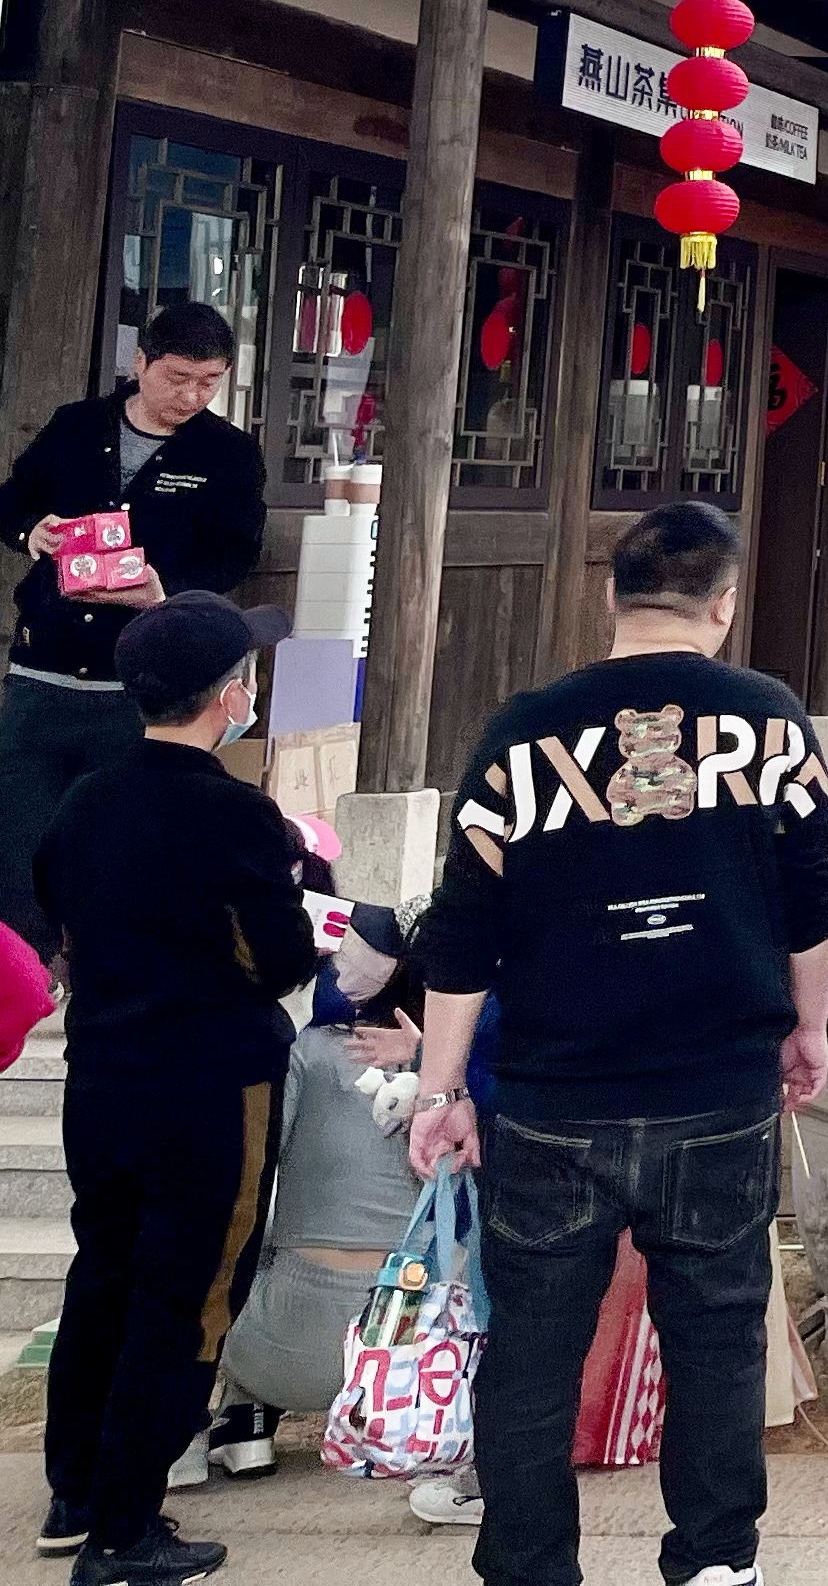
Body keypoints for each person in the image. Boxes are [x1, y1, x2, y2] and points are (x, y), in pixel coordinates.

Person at [407, 500, 828, 1586]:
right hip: (718, 1082)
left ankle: (528, 1567)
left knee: (531, 1352)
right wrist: (807, 1024)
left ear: (611, 594)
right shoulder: (768, 718)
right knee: (718, 1333)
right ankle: (715, 1560)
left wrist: (440, 1088)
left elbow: (462, 927)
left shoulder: (524, 730)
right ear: (724, 604)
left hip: (554, 1093)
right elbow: (815, 895)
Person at [32, 589, 303, 1586]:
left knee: (104, 1271)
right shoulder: (235, 813)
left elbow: (60, 909)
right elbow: (276, 959)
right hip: (210, 1082)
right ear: (228, 696)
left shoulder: (86, 800)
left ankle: (75, 1491)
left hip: (103, 1074)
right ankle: (126, 1527)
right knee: (188, 1295)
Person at [0, 303, 266, 954]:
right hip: (41, 678)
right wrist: (31, 532)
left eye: (209, 381)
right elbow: (11, 502)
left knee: (117, 852)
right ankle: (26, 980)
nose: (192, 396)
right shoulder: (75, 426)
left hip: (139, 691)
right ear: (140, 362)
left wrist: (165, 593)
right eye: (178, 377)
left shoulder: (228, 454)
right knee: (19, 848)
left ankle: (99, 978)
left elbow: (235, 554)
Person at [213, 905, 477, 1527]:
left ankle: (244, 1420)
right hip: (407, 1365)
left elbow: (261, 1161)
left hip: (279, 1354)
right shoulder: (461, 1079)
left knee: (246, 1242)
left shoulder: (308, 1051)